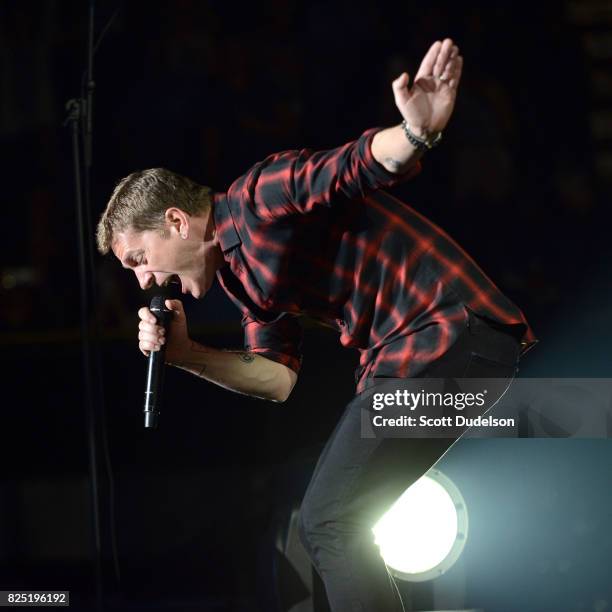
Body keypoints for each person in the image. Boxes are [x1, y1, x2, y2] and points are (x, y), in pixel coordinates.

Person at [97, 39, 537, 612]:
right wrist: (184, 354)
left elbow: (347, 167)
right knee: (337, 520)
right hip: (457, 360)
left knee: (330, 520)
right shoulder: (240, 279)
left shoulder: (257, 199)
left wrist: (414, 135)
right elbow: (277, 380)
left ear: (177, 221)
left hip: (446, 340)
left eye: (138, 259)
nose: (142, 280)